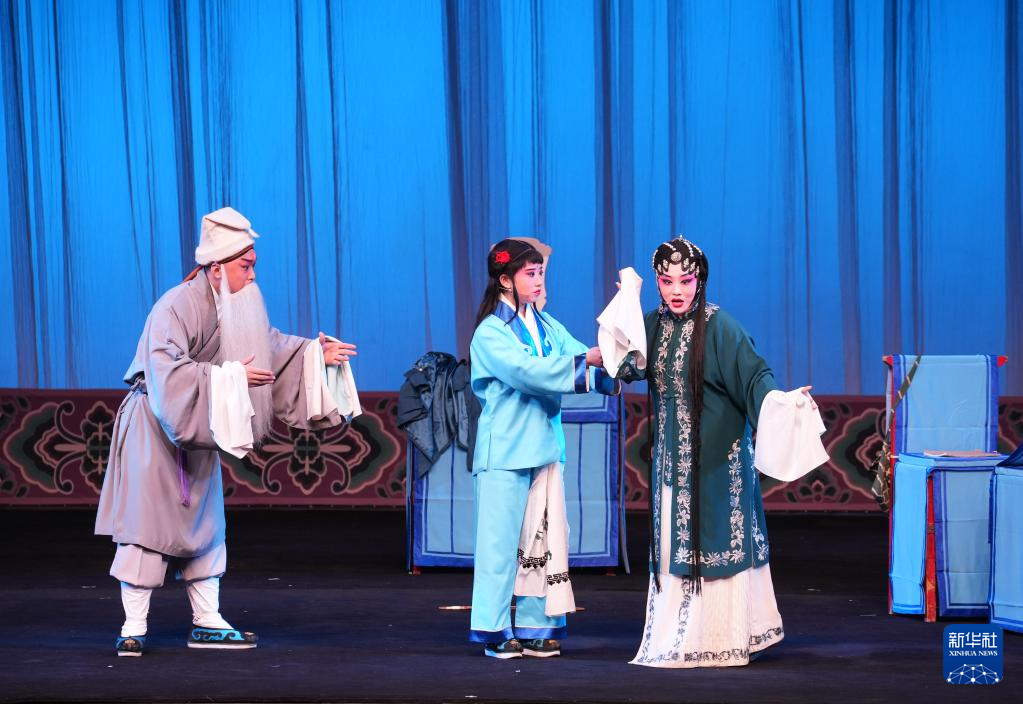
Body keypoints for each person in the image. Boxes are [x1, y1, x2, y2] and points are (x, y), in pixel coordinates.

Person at [95, 206, 357, 656]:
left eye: (253, 265)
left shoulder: (237, 307)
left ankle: (207, 620)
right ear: (216, 268)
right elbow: (166, 372)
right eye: (245, 266)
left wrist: (315, 355)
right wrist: (227, 379)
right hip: (156, 426)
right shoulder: (175, 307)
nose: (252, 275)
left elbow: (270, 348)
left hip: (200, 425)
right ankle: (133, 624)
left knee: (205, 523)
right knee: (146, 525)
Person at [618, 235, 824, 668]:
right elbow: (625, 365)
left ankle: (722, 638)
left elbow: (755, 378)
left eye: (686, 280)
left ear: (700, 280)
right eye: (667, 281)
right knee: (673, 544)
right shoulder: (652, 324)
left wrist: (781, 401)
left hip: (717, 463)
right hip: (671, 467)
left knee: (718, 542)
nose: (677, 290)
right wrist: (624, 311)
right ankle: (677, 638)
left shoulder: (721, 327)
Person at [468, 238, 617, 659]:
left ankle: (536, 626)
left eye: (540, 273)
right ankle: (494, 629)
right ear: (505, 280)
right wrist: (589, 361)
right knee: (500, 546)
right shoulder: (490, 333)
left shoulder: (547, 325)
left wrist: (618, 360)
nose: (538, 281)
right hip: (505, 451)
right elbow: (527, 372)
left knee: (543, 541)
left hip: (544, 448)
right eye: (529, 274)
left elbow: (581, 357)